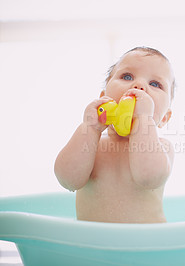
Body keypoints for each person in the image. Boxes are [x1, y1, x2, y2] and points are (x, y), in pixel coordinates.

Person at [54, 47, 175, 223]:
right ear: (104, 97)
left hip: (147, 244)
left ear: (164, 117)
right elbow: (67, 180)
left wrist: (144, 120)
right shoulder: (91, 145)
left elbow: (149, 178)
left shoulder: (162, 147)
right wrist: (89, 127)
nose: (139, 86)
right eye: (127, 76)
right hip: (93, 245)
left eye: (155, 84)